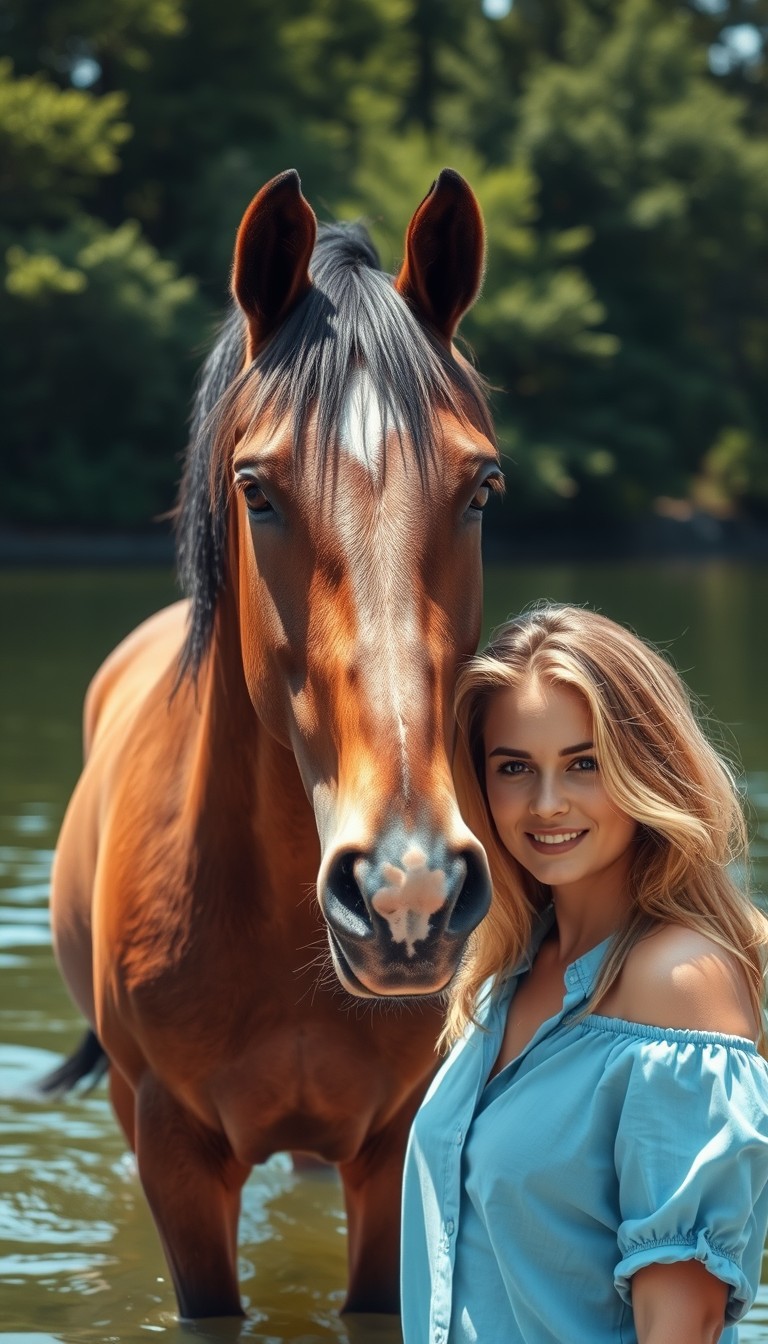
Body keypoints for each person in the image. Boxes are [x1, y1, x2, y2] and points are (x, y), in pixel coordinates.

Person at [401, 603, 768, 1344]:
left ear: (647, 769)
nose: (546, 804)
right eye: (514, 768)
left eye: (584, 763)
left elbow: (683, 1323)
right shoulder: (507, 969)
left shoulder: (678, 981)